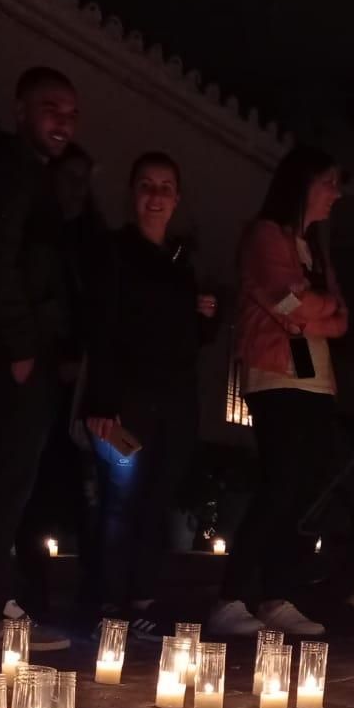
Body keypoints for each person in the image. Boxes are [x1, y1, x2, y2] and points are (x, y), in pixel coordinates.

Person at [0, 66, 79, 652]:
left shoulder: (35, 176)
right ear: (20, 109)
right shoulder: (11, 172)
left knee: (11, 481)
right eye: (51, 108)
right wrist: (22, 345)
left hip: (27, 350)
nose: (63, 122)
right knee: (3, 479)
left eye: (70, 113)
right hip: (10, 354)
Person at [210, 146, 349, 638]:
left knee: (307, 487)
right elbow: (286, 300)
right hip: (275, 375)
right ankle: (233, 594)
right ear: (303, 183)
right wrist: (316, 308)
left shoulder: (313, 246)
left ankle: (277, 593)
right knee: (282, 483)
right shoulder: (265, 235)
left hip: (314, 381)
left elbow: (336, 317)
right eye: (330, 180)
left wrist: (316, 308)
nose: (337, 192)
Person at [82, 151, 219, 639]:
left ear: (177, 198)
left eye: (165, 187)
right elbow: (102, 326)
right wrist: (101, 403)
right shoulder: (114, 252)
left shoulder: (181, 260)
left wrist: (204, 315)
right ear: (132, 193)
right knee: (120, 501)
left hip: (175, 400)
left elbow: (190, 337)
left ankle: (140, 599)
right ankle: (107, 603)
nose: (156, 196)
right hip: (126, 400)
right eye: (147, 185)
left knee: (155, 499)